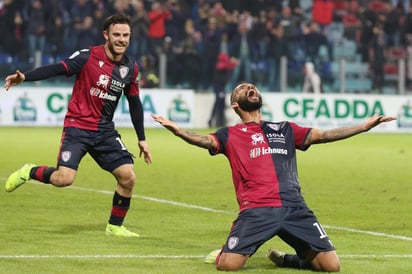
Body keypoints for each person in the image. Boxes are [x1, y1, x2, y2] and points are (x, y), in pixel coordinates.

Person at [151, 82, 396, 271]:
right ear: (235, 105)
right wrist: (178, 130)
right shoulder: (230, 135)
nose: (249, 88)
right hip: (257, 210)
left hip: (294, 208)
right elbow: (204, 140)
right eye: (242, 89)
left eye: (251, 87)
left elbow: (326, 135)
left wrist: (363, 127)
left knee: (332, 266)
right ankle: (229, 246)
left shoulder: (286, 129)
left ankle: (286, 259)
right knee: (227, 265)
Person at [3, 14, 152, 237]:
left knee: (128, 177)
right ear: (106, 35)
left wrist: (141, 138)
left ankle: (114, 226)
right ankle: (30, 171)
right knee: (64, 179)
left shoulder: (130, 67)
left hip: (104, 131)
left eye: (126, 35)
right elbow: (57, 68)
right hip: (78, 127)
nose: (121, 39)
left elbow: (134, 103)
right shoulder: (88, 56)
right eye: (117, 35)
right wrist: (26, 77)